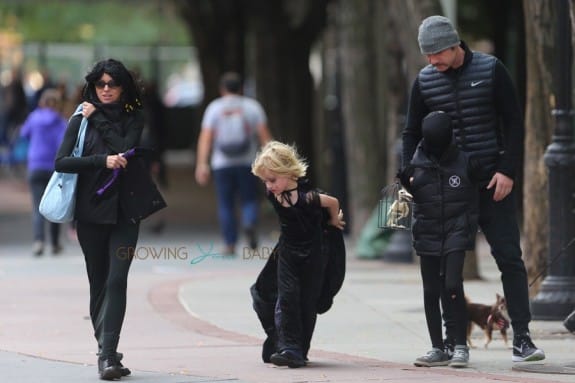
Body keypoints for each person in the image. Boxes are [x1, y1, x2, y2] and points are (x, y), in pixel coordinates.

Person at [401, 15, 545, 362]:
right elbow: (411, 133)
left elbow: (513, 122)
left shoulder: (491, 69)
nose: (431, 61)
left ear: (454, 45)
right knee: (447, 270)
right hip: (445, 190)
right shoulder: (424, 81)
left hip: (491, 183)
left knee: (510, 258)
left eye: (436, 54)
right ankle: (452, 343)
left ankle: (522, 338)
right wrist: (409, 175)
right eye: (427, 55)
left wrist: (507, 170)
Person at [55, 58, 165, 380]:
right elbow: (61, 162)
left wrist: (99, 119)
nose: (105, 90)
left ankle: (106, 357)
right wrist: (101, 160)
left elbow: (125, 149)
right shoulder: (80, 118)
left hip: (126, 211)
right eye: (100, 84)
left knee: (117, 279)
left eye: (112, 84)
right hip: (91, 211)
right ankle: (108, 348)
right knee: (98, 283)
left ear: (122, 87)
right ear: (93, 85)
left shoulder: (134, 117)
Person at [251, 141, 345, 368]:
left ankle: (298, 349)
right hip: (288, 253)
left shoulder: (309, 197)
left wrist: (334, 221)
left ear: (289, 172)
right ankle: (286, 344)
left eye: (273, 180)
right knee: (284, 296)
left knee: (307, 301)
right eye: (265, 180)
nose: (269, 186)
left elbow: (333, 202)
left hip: (314, 254)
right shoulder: (274, 194)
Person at [400, 111, 479, 368]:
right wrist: (405, 183)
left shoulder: (465, 161)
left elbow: (477, 195)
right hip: (428, 231)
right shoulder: (416, 164)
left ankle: (459, 345)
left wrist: (470, 225)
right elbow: (407, 196)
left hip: (456, 230)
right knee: (431, 290)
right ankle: (437, 347)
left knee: (453, 285)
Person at [195, 72, 272, 255]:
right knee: (249, 198)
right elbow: (265, 137)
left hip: (221, 164)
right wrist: (272, 162)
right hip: (248, 162)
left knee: (225, 203)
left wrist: (202, 164)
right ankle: (249, 221)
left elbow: (205, 138)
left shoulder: (214, 108)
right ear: (241, 88)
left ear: (222, 89)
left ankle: (230, 244)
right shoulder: (252, 107)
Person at [20, 88, 67, 256]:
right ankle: (54, 244)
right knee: (54, 206)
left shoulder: (33, 118)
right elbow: (65, 143)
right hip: (54, 168)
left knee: (37, 207)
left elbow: (23, 133)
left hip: (35, 166)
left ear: (42, 102)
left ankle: (38, 241)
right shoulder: (61, 122)